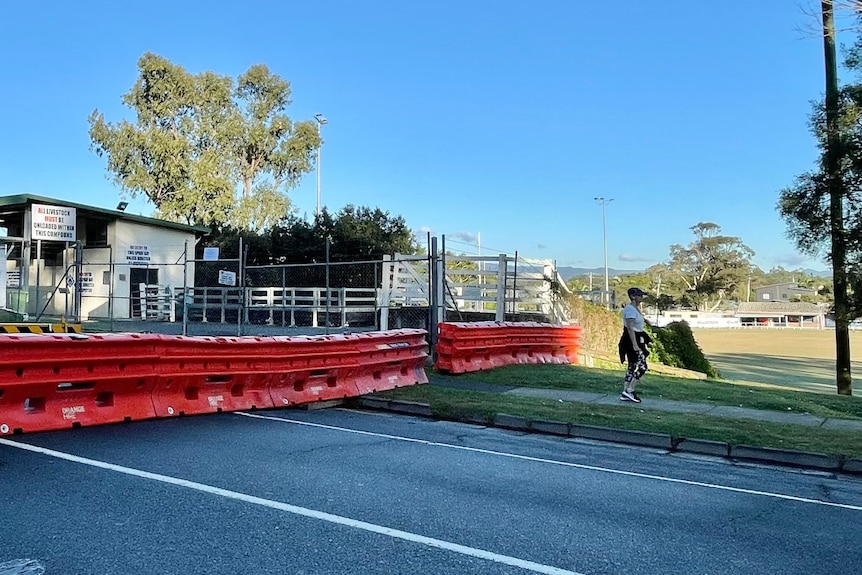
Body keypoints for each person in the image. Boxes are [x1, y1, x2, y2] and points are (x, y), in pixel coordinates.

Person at [618, 287, 652, 403]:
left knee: (632, 366)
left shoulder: (636, 309)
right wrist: (634, 345)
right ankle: (629, 390)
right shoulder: (630, 310)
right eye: (639, 295)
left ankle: (625, 392)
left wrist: (647, 340)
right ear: (633, 296)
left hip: (637, 340)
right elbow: (630, 328)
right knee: (642, 367)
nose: (641, 297)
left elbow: (639, 329)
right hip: (631, 341)